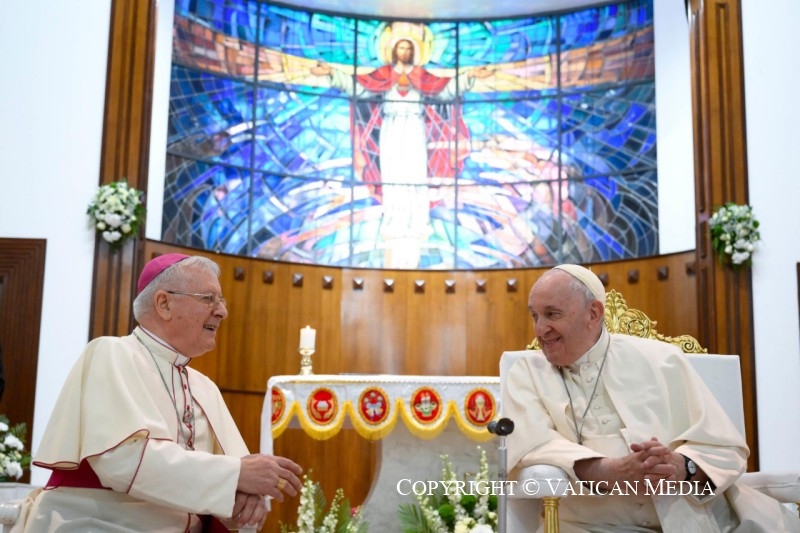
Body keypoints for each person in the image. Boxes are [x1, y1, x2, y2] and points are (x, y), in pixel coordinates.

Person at [12, 253, 303, 532]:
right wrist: (237, 476)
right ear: (164, 304)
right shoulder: (112, 353)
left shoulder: (205, 387)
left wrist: (248, 497)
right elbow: (122, 461)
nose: (222, 311)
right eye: (209, 299)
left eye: (221, 300)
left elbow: (242, 479)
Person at [503, 264, 800, 532]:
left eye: (552, 314)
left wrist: (681, 466)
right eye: (534, 316)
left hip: (687, 521)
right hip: (587, 527)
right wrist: (611, 471)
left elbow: (724, 448)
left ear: (593, 313)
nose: (540, 329)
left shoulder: (663, 360)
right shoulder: (526, 372)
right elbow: (533, 446)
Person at [311, 35, 491, 268]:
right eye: (400, 47)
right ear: (394, 50)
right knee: (393, 174)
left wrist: (470, 76)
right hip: (391, 128)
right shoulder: (383, 75)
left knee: (415, 174)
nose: (404, 51)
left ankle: (417, 223)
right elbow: (360, 90)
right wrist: (332, 73)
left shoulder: (422, 77)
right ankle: (394, 222)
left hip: (415, 128)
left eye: (408, 48)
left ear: (414, 52)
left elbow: (444, 91)